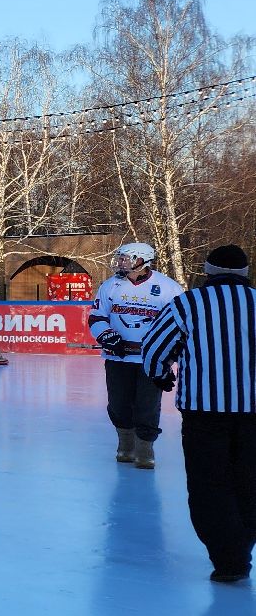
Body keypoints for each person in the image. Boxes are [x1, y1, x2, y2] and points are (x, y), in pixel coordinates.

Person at [140, 244, 256, 583]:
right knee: (250, 482)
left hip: (204, 413)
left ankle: (229, 558)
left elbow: (154, 349)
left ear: (208, 272)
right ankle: (240, 549)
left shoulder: (188, 304)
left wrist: (161, 375)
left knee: (210, 486)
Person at [88, 242, 181, 468]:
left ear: (143, 261)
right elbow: (97, 316)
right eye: (120, 258)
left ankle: (144, 449)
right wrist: (107, 337)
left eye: (127, 258)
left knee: (147, 405)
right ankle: (125, 445)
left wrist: (167, 352)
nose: (121, 262)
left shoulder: (168, 288)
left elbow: (177, 323)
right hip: (117, 358)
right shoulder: (110, 286)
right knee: (118, 404)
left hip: (152, 360)